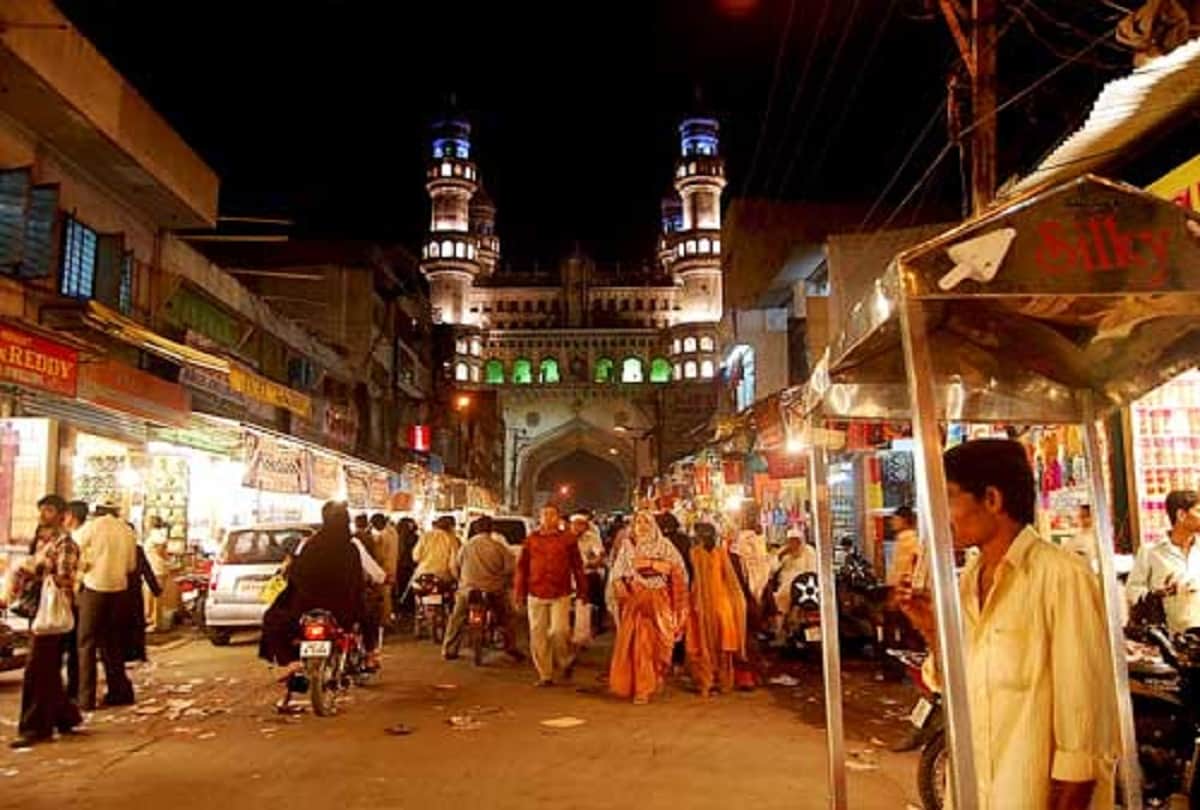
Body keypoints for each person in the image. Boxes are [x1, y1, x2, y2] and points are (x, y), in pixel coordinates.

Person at [898, 439, 1118, 809]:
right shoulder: (968, 580)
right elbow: (958, 691)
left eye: (948, 498)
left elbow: (1083, 735)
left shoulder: (1062, 577)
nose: (940, 515)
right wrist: (933, 631)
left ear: (992, 500)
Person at [259, 502, 365, 683]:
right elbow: (357, 581)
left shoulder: (311, 545)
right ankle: (370, 655)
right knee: (369, 614)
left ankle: (290, 661)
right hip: (342, 611)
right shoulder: (351, 549)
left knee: (274, 618)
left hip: (306, 607)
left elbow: (297, 573)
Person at [9, 500, 81, 748]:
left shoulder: (65, 544)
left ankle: (35, 728)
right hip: (38, 611)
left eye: (49, 510)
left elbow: (66, 579)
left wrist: (38, 571)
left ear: (63, 516)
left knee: (36, 670)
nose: (43, 514)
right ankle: (66, 716)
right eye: (41, 509)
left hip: (53, 614)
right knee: (47, 670)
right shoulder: (42, 543)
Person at [606, 510, 690, 704]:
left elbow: (679, 572)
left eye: (646, 522)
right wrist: (622, 588)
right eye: (638, 522)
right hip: (635, 602)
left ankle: (654, 678)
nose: (642, 526)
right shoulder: (628, 546)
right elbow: (618, 574)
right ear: (633, 526)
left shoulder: (665, 546)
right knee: (638, 645)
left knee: (661, 646)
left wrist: (651, 564)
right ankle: (641, 689)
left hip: (660, 602)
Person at [74, 500, 137, 710]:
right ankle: (117, 691)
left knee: (87, 644)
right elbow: (131, 565)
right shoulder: (127, 530)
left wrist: (85, 569)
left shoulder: (90, 528)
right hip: (119, 589)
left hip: (94, 588)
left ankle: (86, 698)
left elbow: (74, 553)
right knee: (112, 643)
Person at [515, 504, 586, 687]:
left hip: (560, 592)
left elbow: (577, 566)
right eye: (545, 515)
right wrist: (519, 593)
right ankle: (545, 674)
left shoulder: (567, 540)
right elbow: (522, 568)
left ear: (558, 518)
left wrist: (582, 590)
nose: (548, 518)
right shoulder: (531, 540)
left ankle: (565, 660)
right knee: (538, 634)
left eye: (552, 515)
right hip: (536, 591)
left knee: (558, 631)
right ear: (540, 518)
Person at [443, 515, 521, 661]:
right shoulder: (498, 547)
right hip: (493, 589)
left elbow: (455, 566)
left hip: (468, 590)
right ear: (491, 529)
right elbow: (510, 568)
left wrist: (461, 580)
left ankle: (449, 648)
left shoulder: (465, 546)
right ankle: (511, 648)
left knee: (457, 618)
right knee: (507, 618)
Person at [685, 521, 746, 698]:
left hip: (711, 605)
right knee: (712, 645)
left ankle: (711, 682)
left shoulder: (699, 553)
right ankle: (715, 682)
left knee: (711, 645)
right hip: (712, 604)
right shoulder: (713, 553)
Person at [1128, 489, 1200, 633]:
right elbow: (1133, 591)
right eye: (1198, 510)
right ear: (1181, 515)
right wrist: (1157, 594)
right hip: (1171, 638)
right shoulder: (1151, 552)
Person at [59, 501, 89, 702]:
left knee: (71, 646)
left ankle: (73, 690)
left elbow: (66, 573)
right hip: (73, 597)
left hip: (71, 598)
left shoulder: (75, 539)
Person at [570, 513, 607, 634]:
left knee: (596, 597)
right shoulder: (565, 538)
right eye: (575, 524)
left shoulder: (591, 537)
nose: (578, 527)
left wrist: (592, 563)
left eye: (581, 524)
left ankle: (599, 624)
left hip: (587, 574)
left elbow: (599, 554)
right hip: (568, 575)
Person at [370, 514, 400, 626]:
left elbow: (380, 555)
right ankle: (388, 619)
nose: (374, 527)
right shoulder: (393, 532)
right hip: (392, 567)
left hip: (384, 569)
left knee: (384, 597)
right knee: (388, 595)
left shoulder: (383, 535)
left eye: (374, 525)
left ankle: (385, 621)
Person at [143, 517, 172, 631]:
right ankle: (152, 620)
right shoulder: (156, 535)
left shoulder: (156, 535)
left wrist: (165, 560)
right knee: (153, 596)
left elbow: (161, 550)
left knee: (155, 597)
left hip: (156, 569)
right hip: (155, 568)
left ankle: (155, 622)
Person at [413, 516, 460, 583]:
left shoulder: (425, 536)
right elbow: (452, 564)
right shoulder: (452, 539)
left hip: (422, 575)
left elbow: (416, 557)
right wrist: (457, 578)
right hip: (441, 578)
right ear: (451, 527)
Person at [887, 505, 921, 588]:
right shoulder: (901, 540)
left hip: (904, 586)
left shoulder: (911, 540)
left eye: (895, 519)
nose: (892, 522)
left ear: (904, 520)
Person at [1061, 504, 1100, 573]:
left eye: (1085, 516)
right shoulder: (1077, 535)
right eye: (1080, 516)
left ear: (1093, 517)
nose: (1081, 519)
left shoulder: (1095, 537)